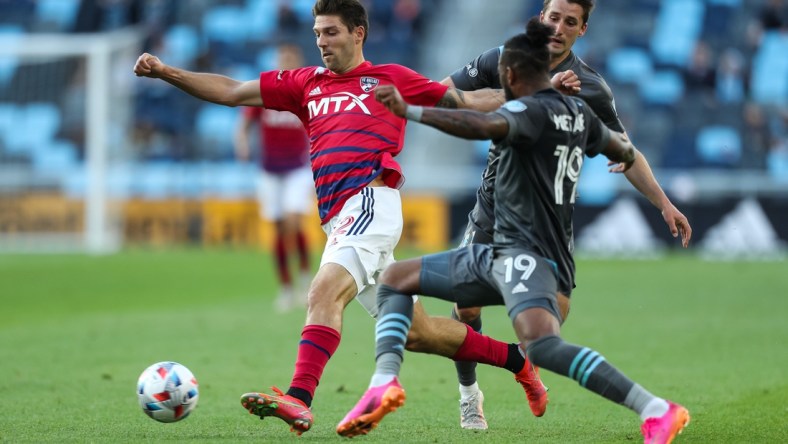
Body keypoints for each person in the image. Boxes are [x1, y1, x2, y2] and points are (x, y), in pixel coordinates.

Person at [134, 0, 546, 436]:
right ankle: (519, 362)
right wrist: (167, 72)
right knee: (418, 333)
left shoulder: (391, 79)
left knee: (322, 290)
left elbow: (466, 100)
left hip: (371, 202)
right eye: (317, 33)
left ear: (358, 33)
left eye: (331, 32)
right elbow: (233, 91)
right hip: (339, 219)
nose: (321, 42)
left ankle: (299, 397)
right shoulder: (304, 84)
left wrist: (537, 98)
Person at [337, 19, 690, 444]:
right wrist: (623, 155)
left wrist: (409, 111)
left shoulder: (525, 110)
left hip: (522, 255)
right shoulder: (580, 113)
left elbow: (478, 125)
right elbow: (623, 149)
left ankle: (656, 408)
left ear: (510, 75)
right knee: (398, 280)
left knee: (542, 346)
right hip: (520, 253)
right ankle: (384, 383)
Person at [440, 0, 693, 429]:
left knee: (547, 329)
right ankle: (469, 394)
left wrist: (664, 203)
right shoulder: (502, 61)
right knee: (465, 310)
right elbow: (442, 95)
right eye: (554, 17)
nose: (559, 27)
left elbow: (627, 153)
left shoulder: (593, 88)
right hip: (494, 211)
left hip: (548, 225)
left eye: (570, 22)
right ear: (541, 17)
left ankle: (524, 362)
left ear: (582, 31)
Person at [234, 43, 314, 312]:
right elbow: (245, 122)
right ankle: (286, 287)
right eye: (282, 58)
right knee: (279, 227)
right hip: (269, 169)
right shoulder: (267, 91)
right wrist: (242, 143)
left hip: (297, 168)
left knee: (293, 221)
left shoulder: (305, 91)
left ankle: (305, 279)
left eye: (290, 58)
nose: (285, 62)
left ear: (298, 60)